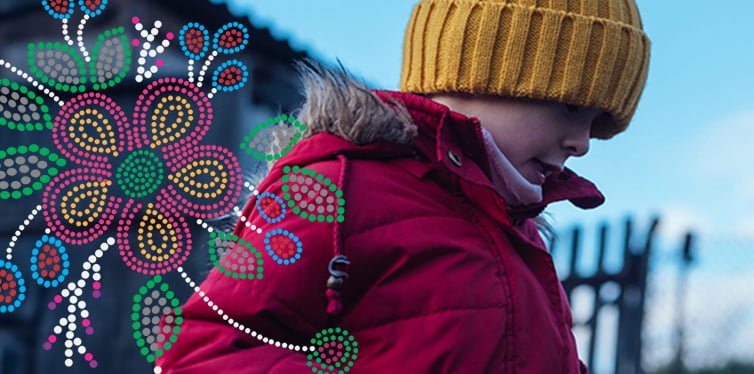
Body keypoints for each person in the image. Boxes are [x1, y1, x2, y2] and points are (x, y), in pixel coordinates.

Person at [157, 0, 650, 372]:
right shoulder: (336, 191)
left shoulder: (521, 240)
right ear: (476, 71)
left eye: (597, 122)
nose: (582, 143)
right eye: (570, 107)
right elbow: (205, 355)